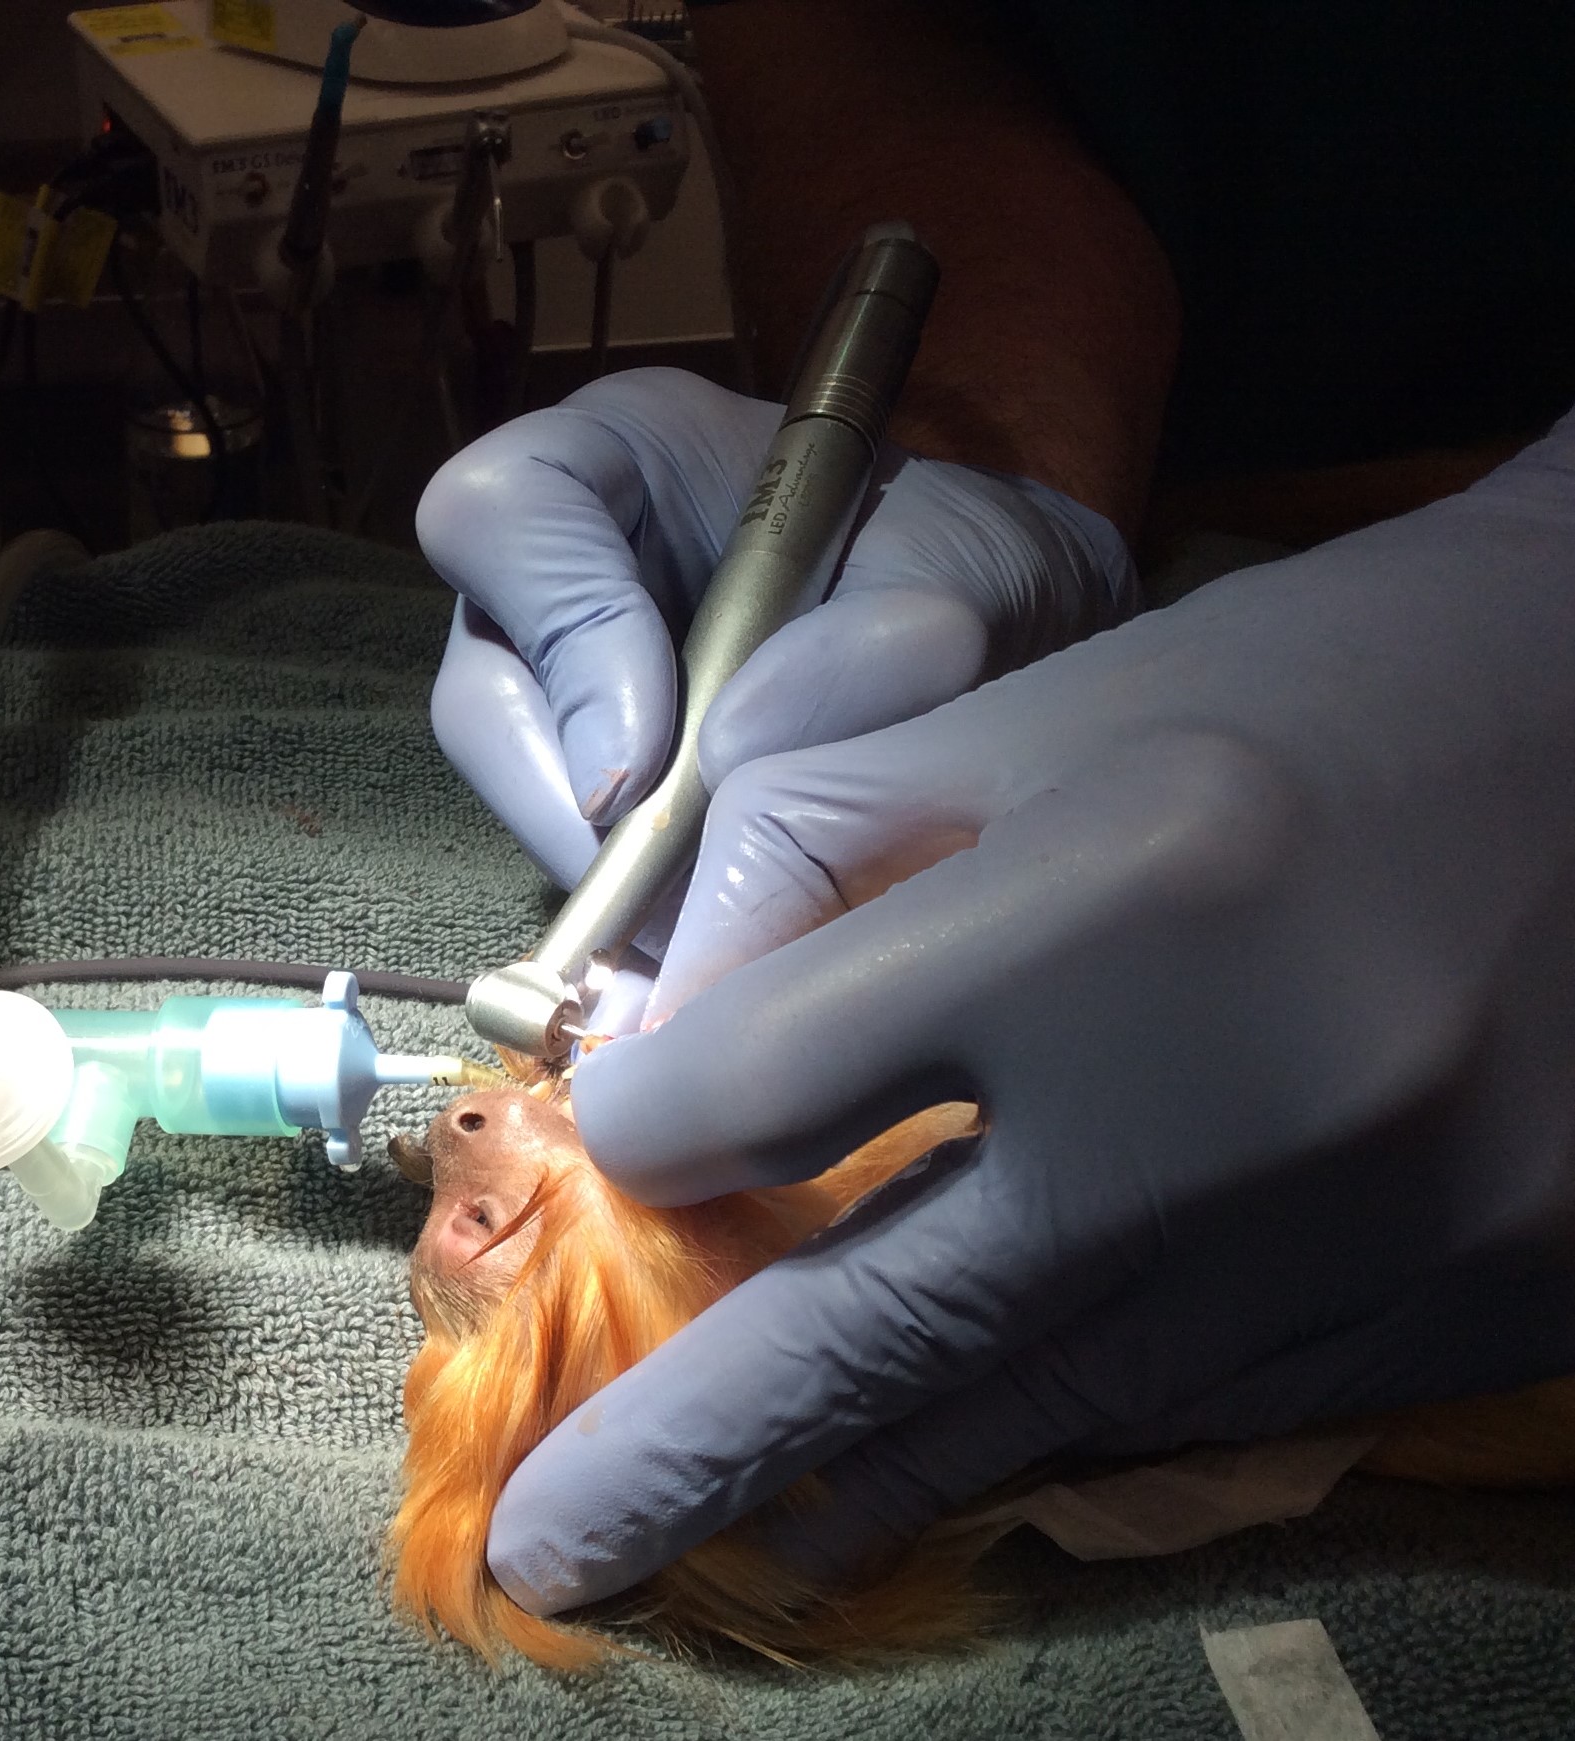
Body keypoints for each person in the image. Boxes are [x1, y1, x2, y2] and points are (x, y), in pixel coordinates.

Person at [412, 0, 1575, 1618]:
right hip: (1211, 490)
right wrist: (990, 447)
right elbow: (890, 52)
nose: (458, 1125)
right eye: (485, 1216)